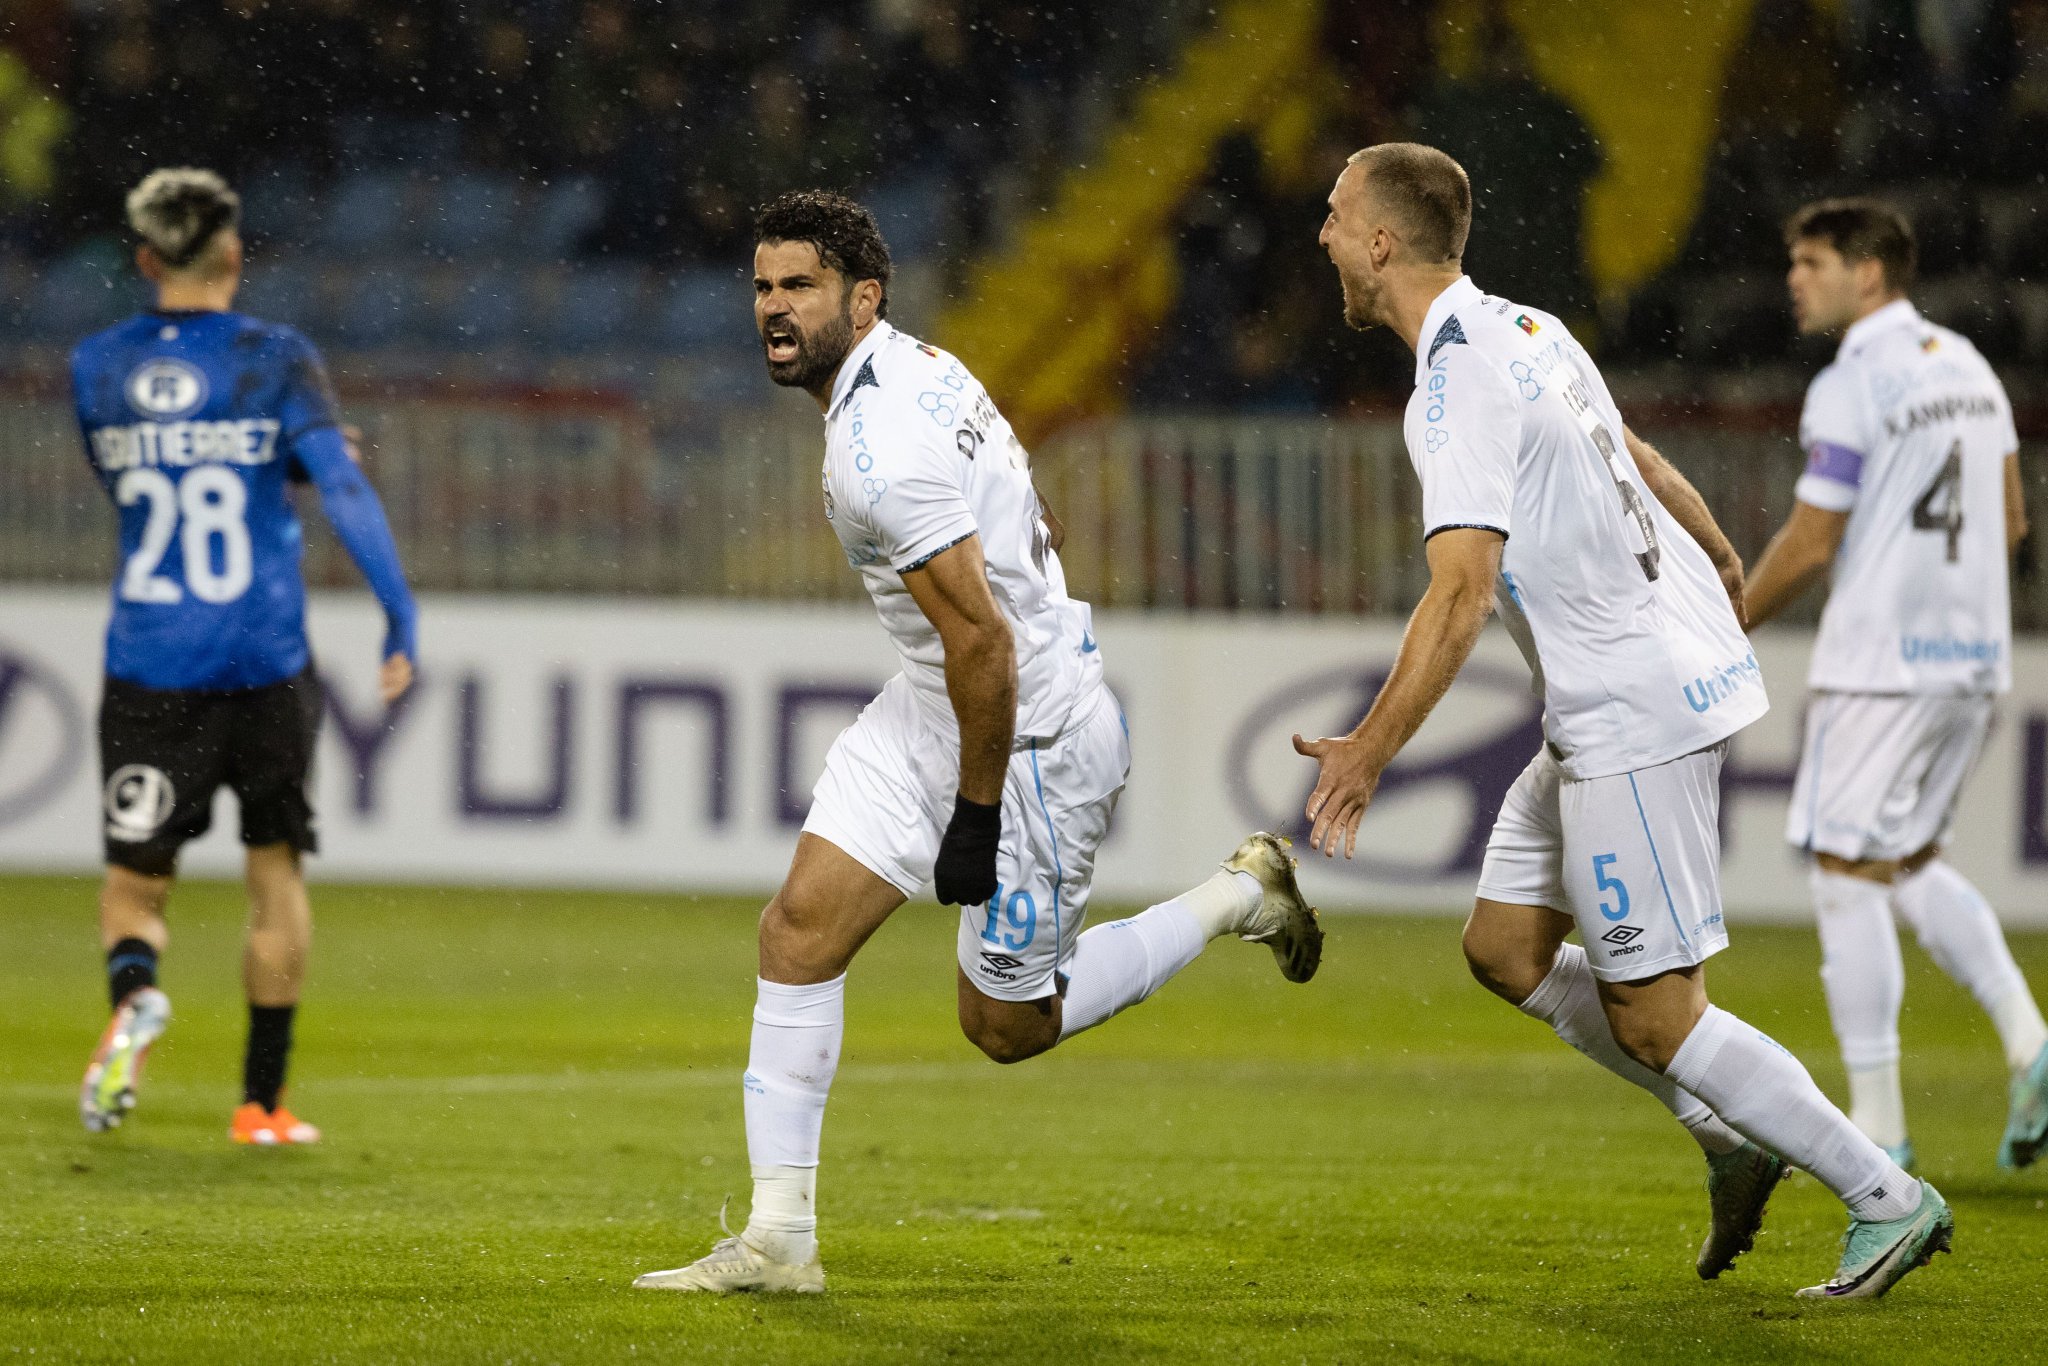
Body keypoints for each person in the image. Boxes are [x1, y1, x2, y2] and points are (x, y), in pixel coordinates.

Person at [631, 190, 1323, 1295]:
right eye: (761, 286)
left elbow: (987, 648)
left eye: (798, 287)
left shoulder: (878, 450)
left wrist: (976, 815)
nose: (771, 308)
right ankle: (778, 1241)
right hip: (933, 703)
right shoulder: (913, 369)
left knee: (1005, 1026)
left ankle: (1239, 895)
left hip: (1029, 738)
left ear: (863, 298)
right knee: (797, 933)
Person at [1295, 144, 1951, 1299]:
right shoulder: (1526, 326)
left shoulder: (1451, 382)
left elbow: (1460, 590)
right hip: (1629, 681)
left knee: (1655, 1017)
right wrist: (1713, 545)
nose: (1322, 235)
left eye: (1337, 215)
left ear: (1383, 242)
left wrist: (1365, 753)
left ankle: (1884, 1196)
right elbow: (1633, 452)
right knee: (1502, 948)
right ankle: (1726, 1133)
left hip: (1627, 706)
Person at [71, 168, 418, 1146]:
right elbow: (344, 491)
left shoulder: (96, 364)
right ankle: (261, 1103)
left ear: (144, 260)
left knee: (135, 889)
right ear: (233, 253)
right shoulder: (276, 357)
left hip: (150, 663)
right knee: (275, 876)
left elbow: (128, 479)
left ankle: (135, 994)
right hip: (264, 660)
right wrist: (398, 614)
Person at [1744, 197, 2047, 1172]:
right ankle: (2030, 1044)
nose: (1793, 278)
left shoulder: (1848, 381)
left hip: (1877, 668)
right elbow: (2006, 520)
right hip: (1968, 660)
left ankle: (1876, 1129)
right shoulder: (1967, 367)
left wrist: (1726, 619)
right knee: (1905, 859)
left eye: (1809, 261)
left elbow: (1809, 539)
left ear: (1865, 273)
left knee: (1842, 875)